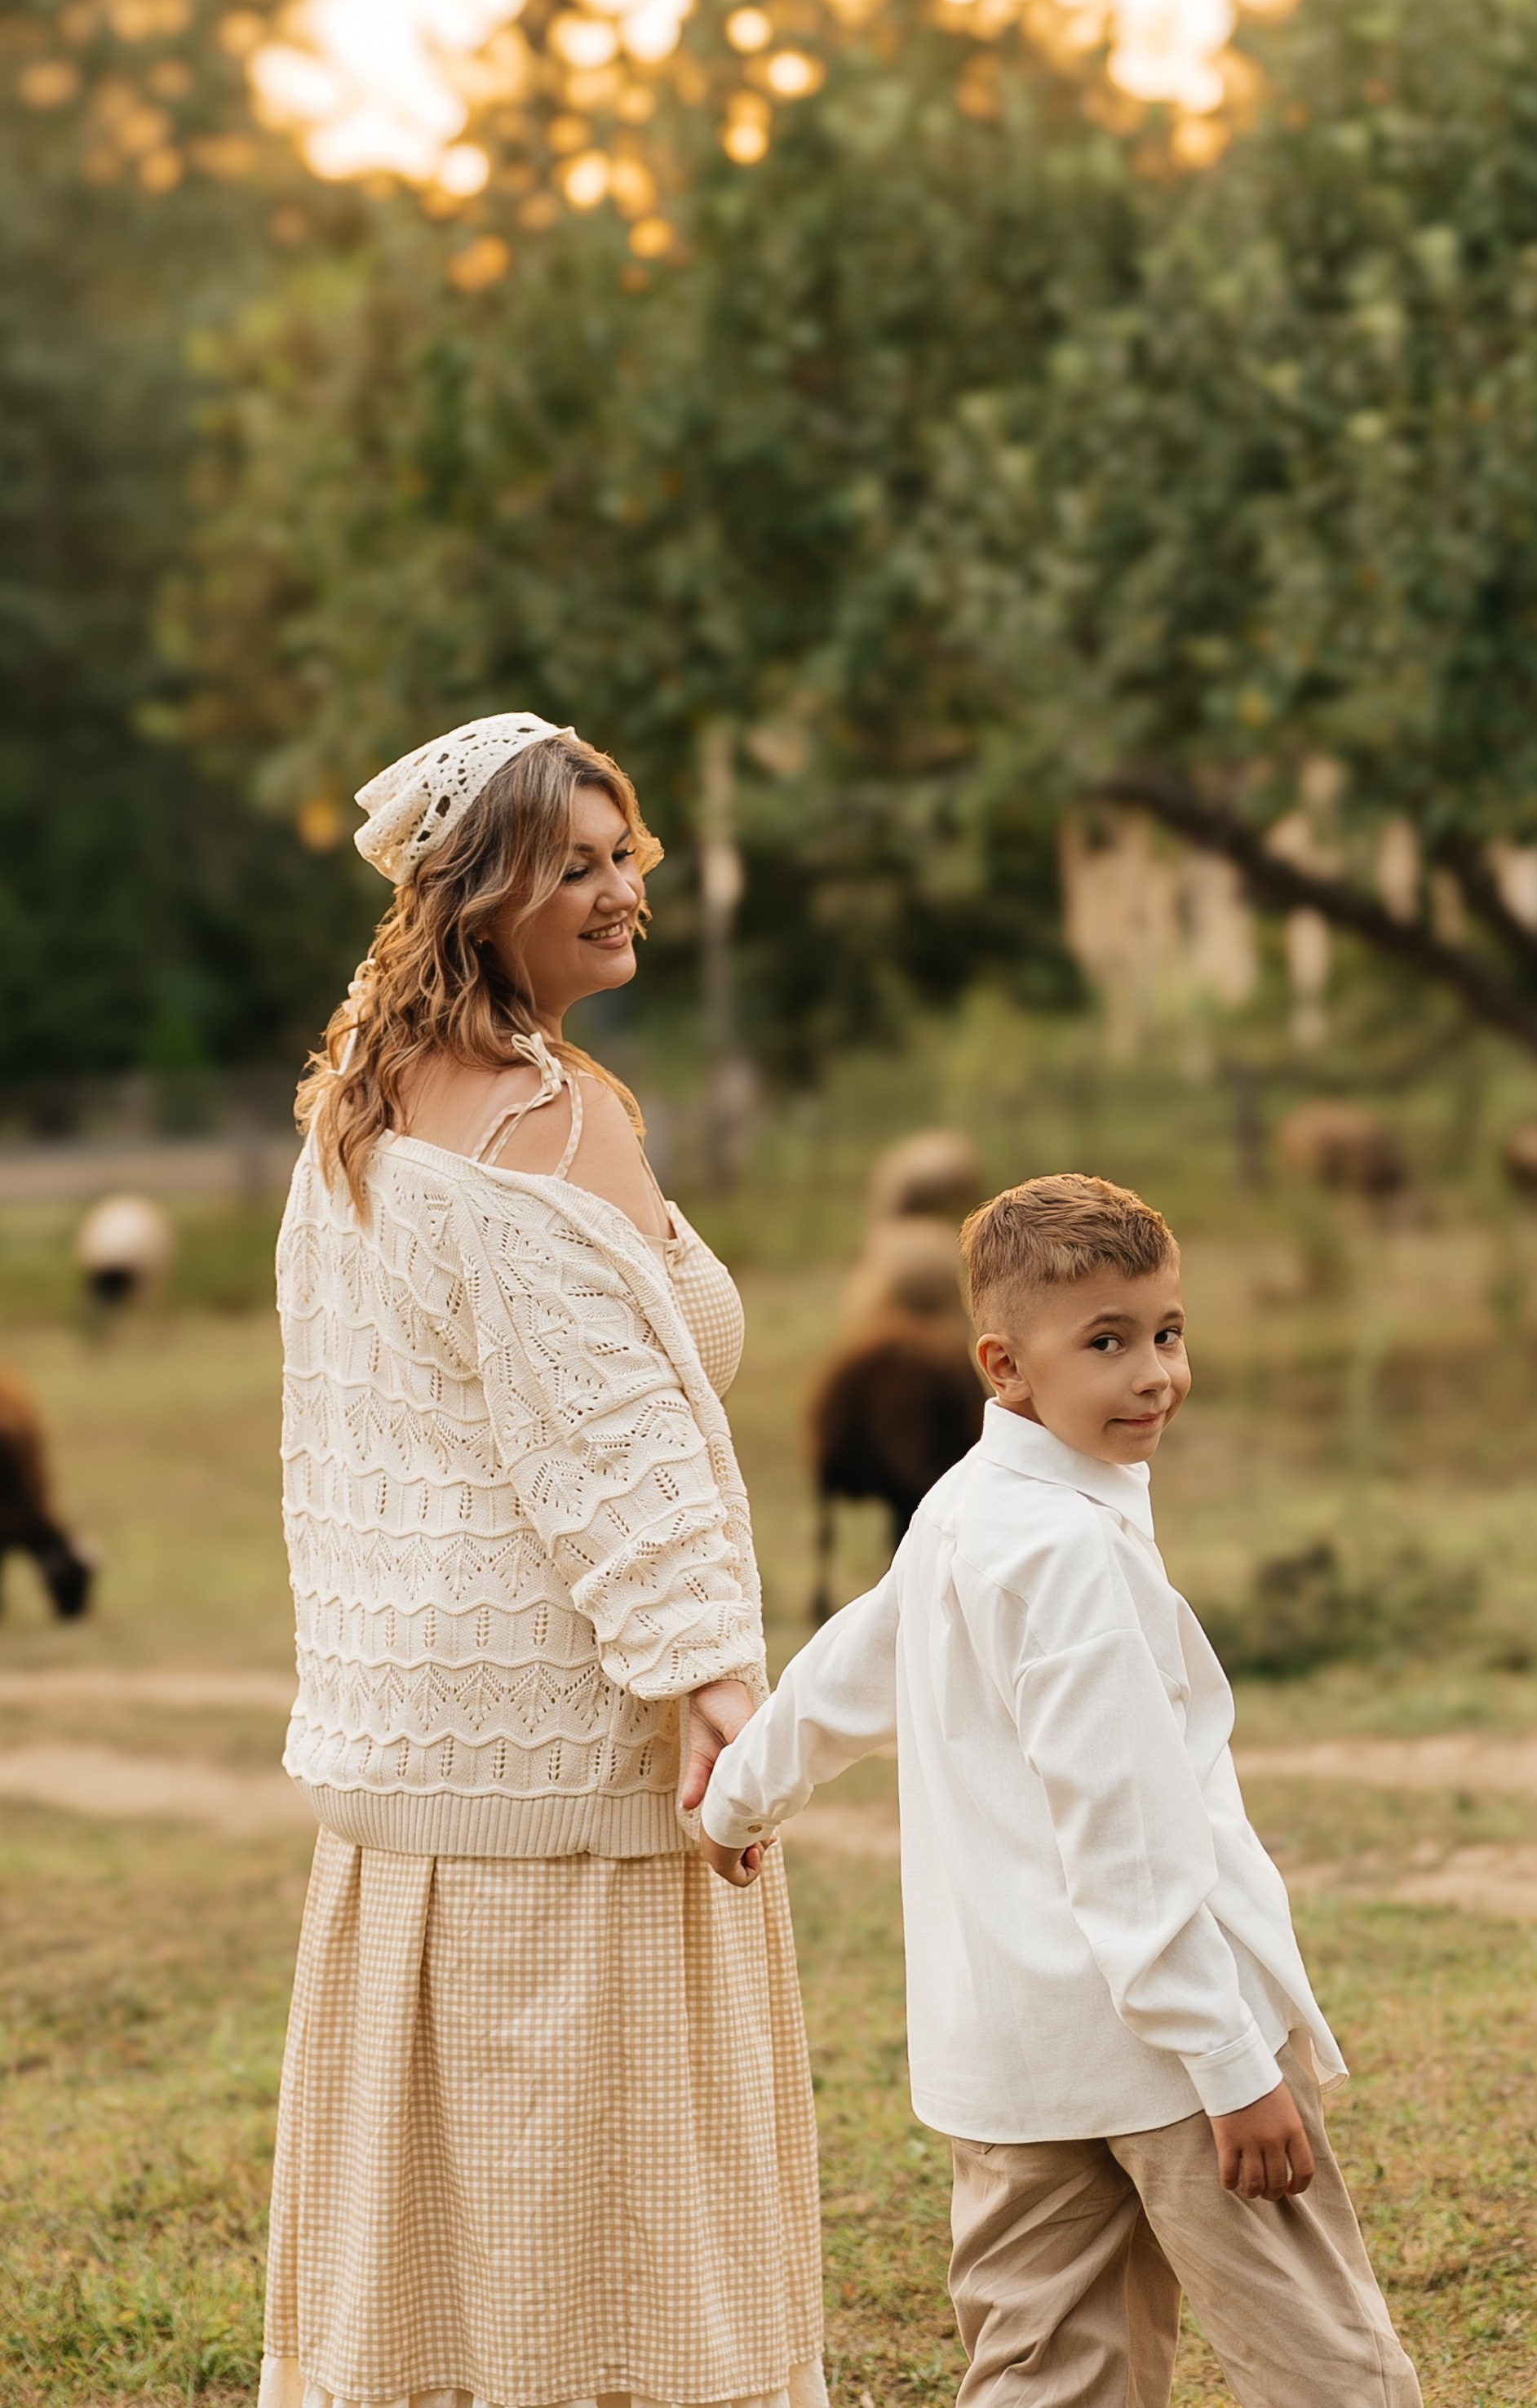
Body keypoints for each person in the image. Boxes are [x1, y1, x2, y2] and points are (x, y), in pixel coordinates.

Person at [262, 712, 823, 2408]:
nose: (619, 886)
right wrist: (713, 1684)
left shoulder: (357, 1091)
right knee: (605, 2229)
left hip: (416, 1733)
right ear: (483, 893)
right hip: (570, 1723)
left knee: (444, 2215)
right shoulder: (539, 1111)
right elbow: (613, 1442)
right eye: (572, 861)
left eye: (623, 848)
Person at [700, 1172, 1422, 2408]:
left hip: (1011, 2061)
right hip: (1166, 2058)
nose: (1152, 1374)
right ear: (1005, 1365)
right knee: (1323, 2367)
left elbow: (848, 1665)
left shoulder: (963, 1510)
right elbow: (1128, 1840)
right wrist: (1229, 2059)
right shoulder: (1073, 1553)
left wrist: (739, 1795)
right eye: (1105, 1342)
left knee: (1044, 2375)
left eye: (1166, 1332)